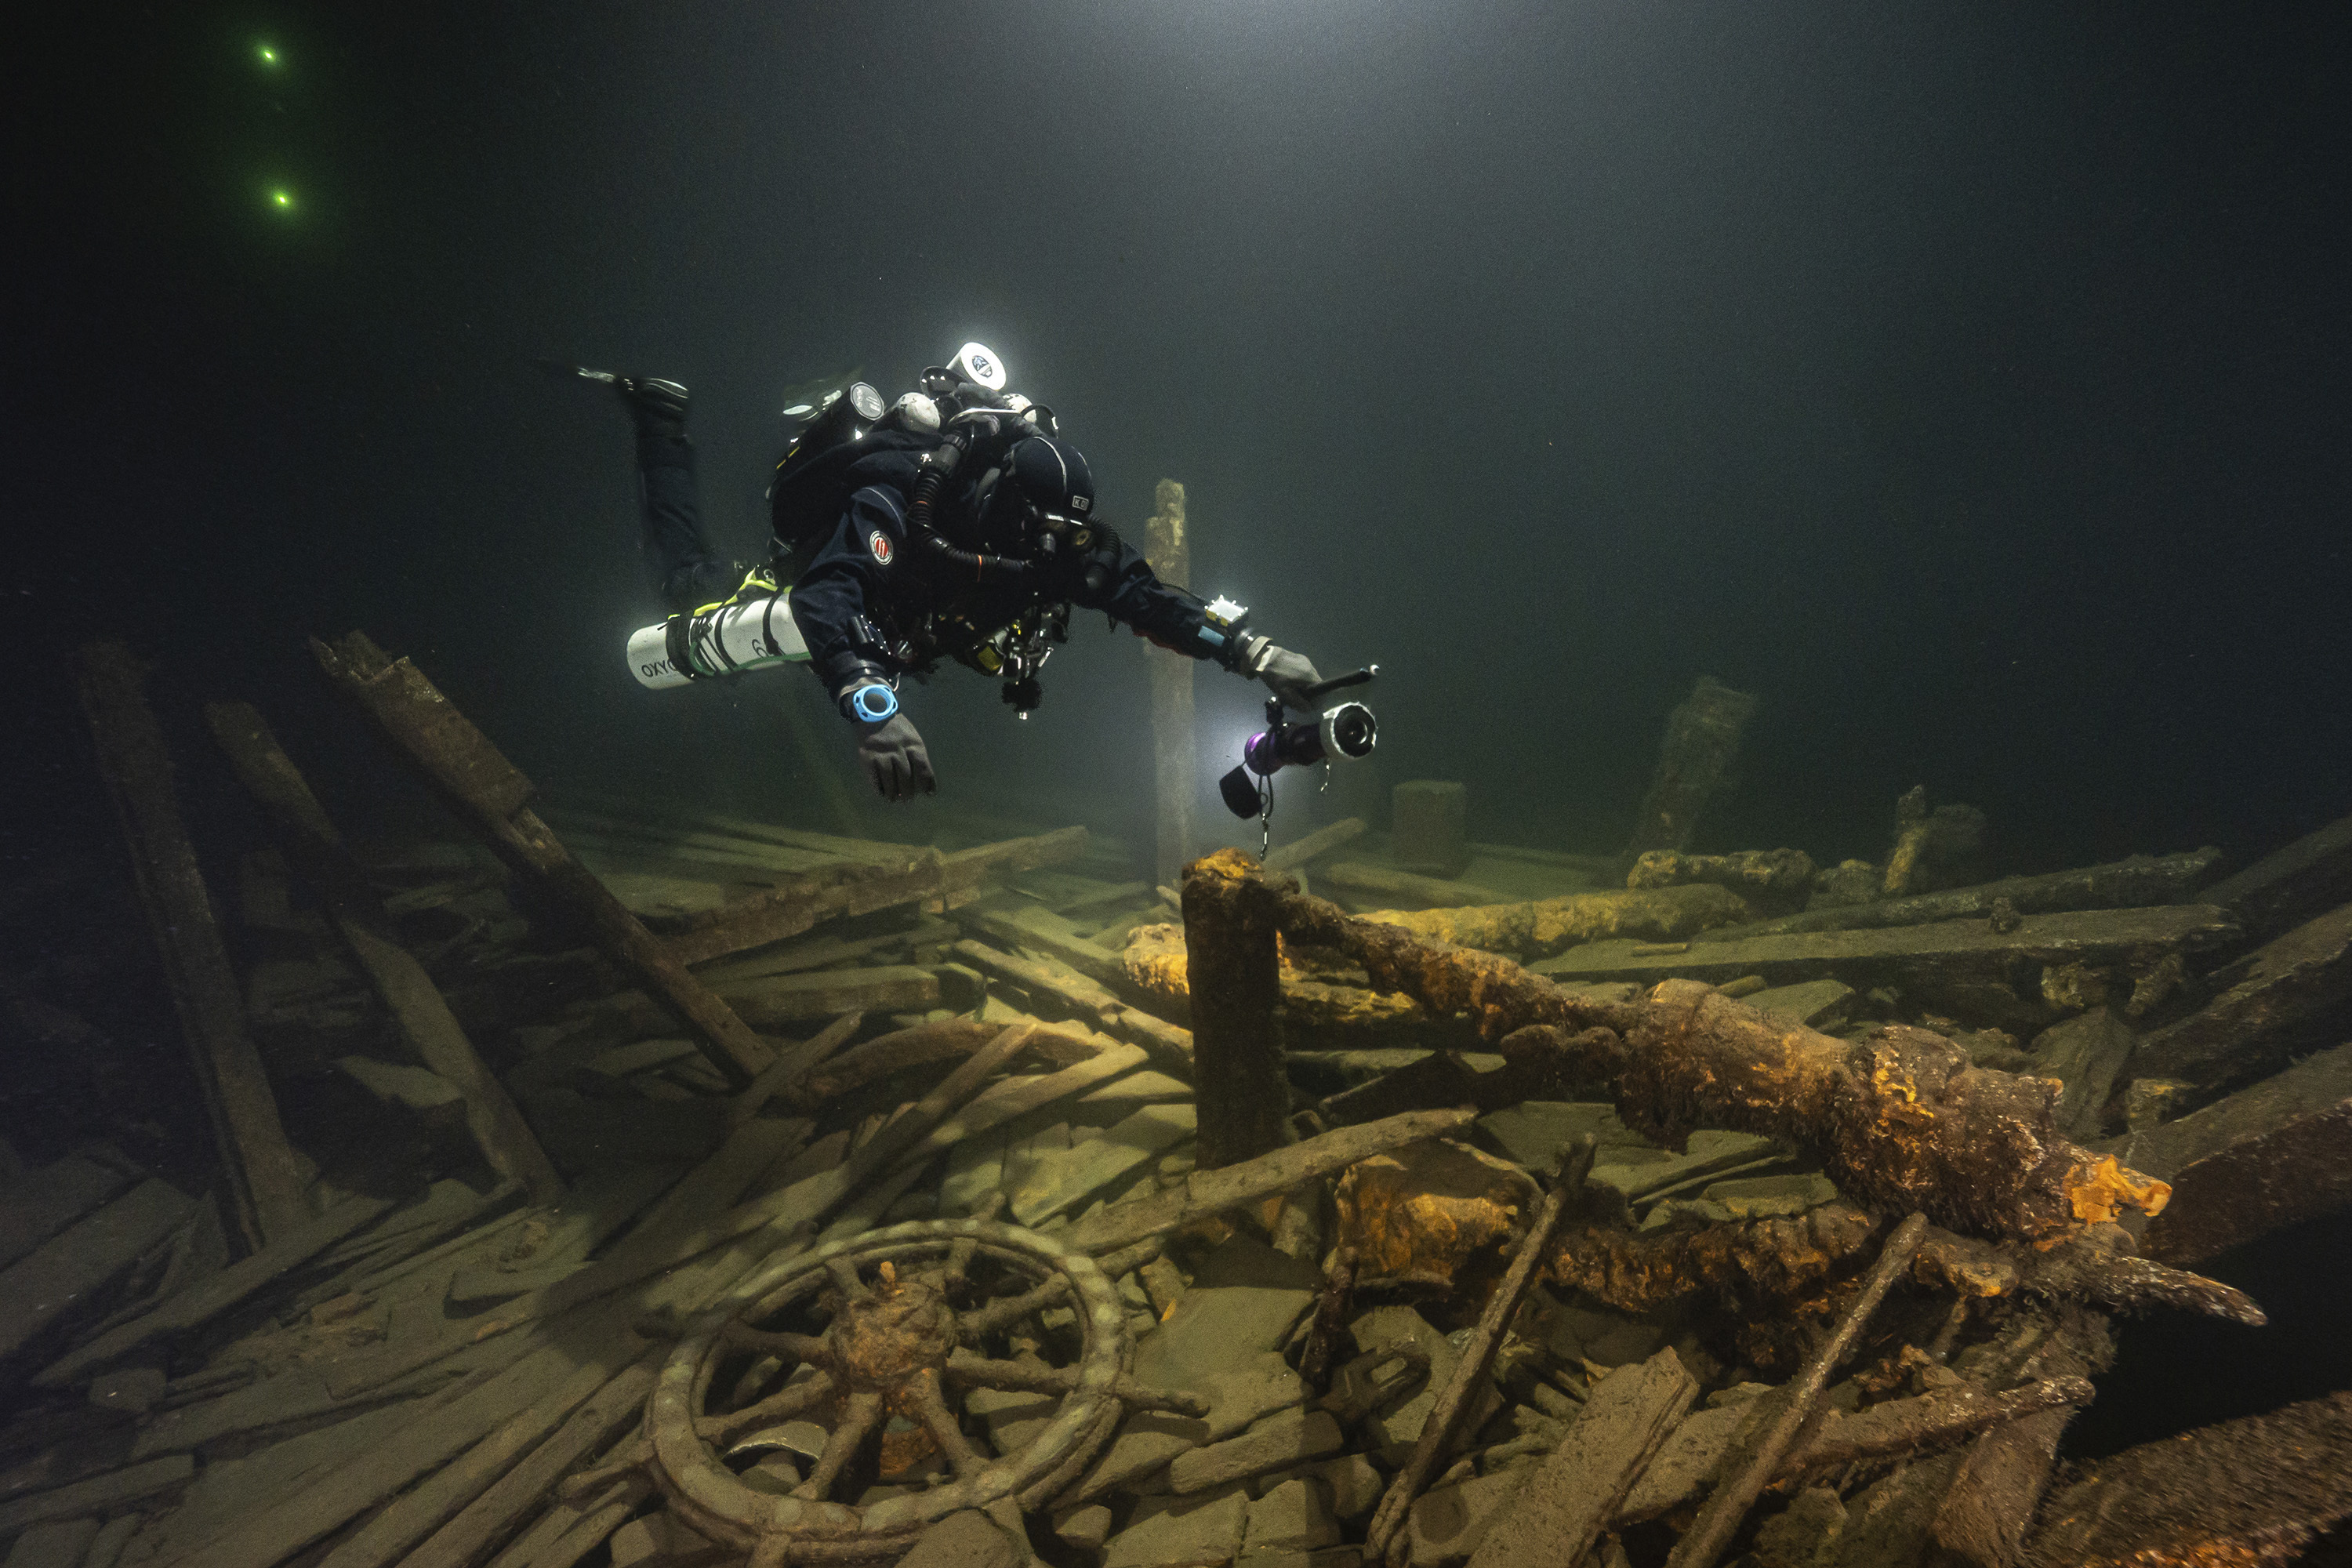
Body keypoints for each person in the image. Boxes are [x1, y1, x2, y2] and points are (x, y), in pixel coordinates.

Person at [611, 345, 1330, 801]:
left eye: (1066, 534)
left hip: (912, 633)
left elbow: (1140, 596)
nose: (1051, 551)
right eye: (1039, 532)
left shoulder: (1058, 536)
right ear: (1002, 503)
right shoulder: (903, 490)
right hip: (843, 605)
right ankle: (660, 426)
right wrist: (870, 706)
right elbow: (832, 594)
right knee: (689, 589)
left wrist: (1253, 653)